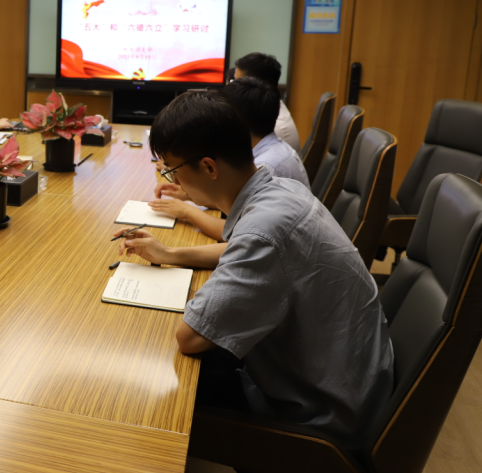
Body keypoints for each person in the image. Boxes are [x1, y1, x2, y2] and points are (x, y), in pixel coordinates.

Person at [117, 89, 393, 452]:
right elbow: (243, 248)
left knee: (144, 383)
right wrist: (169, 253)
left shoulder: (265, 231)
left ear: (209, 167)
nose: (174, 181)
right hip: (350, 384)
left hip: (320, 418)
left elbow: (190, 337)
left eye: (172, 169)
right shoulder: (281, 191)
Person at [150, 77, 309, 240]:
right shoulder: (272, 175)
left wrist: (187, 210)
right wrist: (191, 194)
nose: (176, 181)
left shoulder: (269, 167)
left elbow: (241, 235)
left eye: (174, 171)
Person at [233, 52, 300, 151]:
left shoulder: (272, 129)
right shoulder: (267, 109)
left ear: (257, 86)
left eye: (237, 82)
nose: (232, 87)